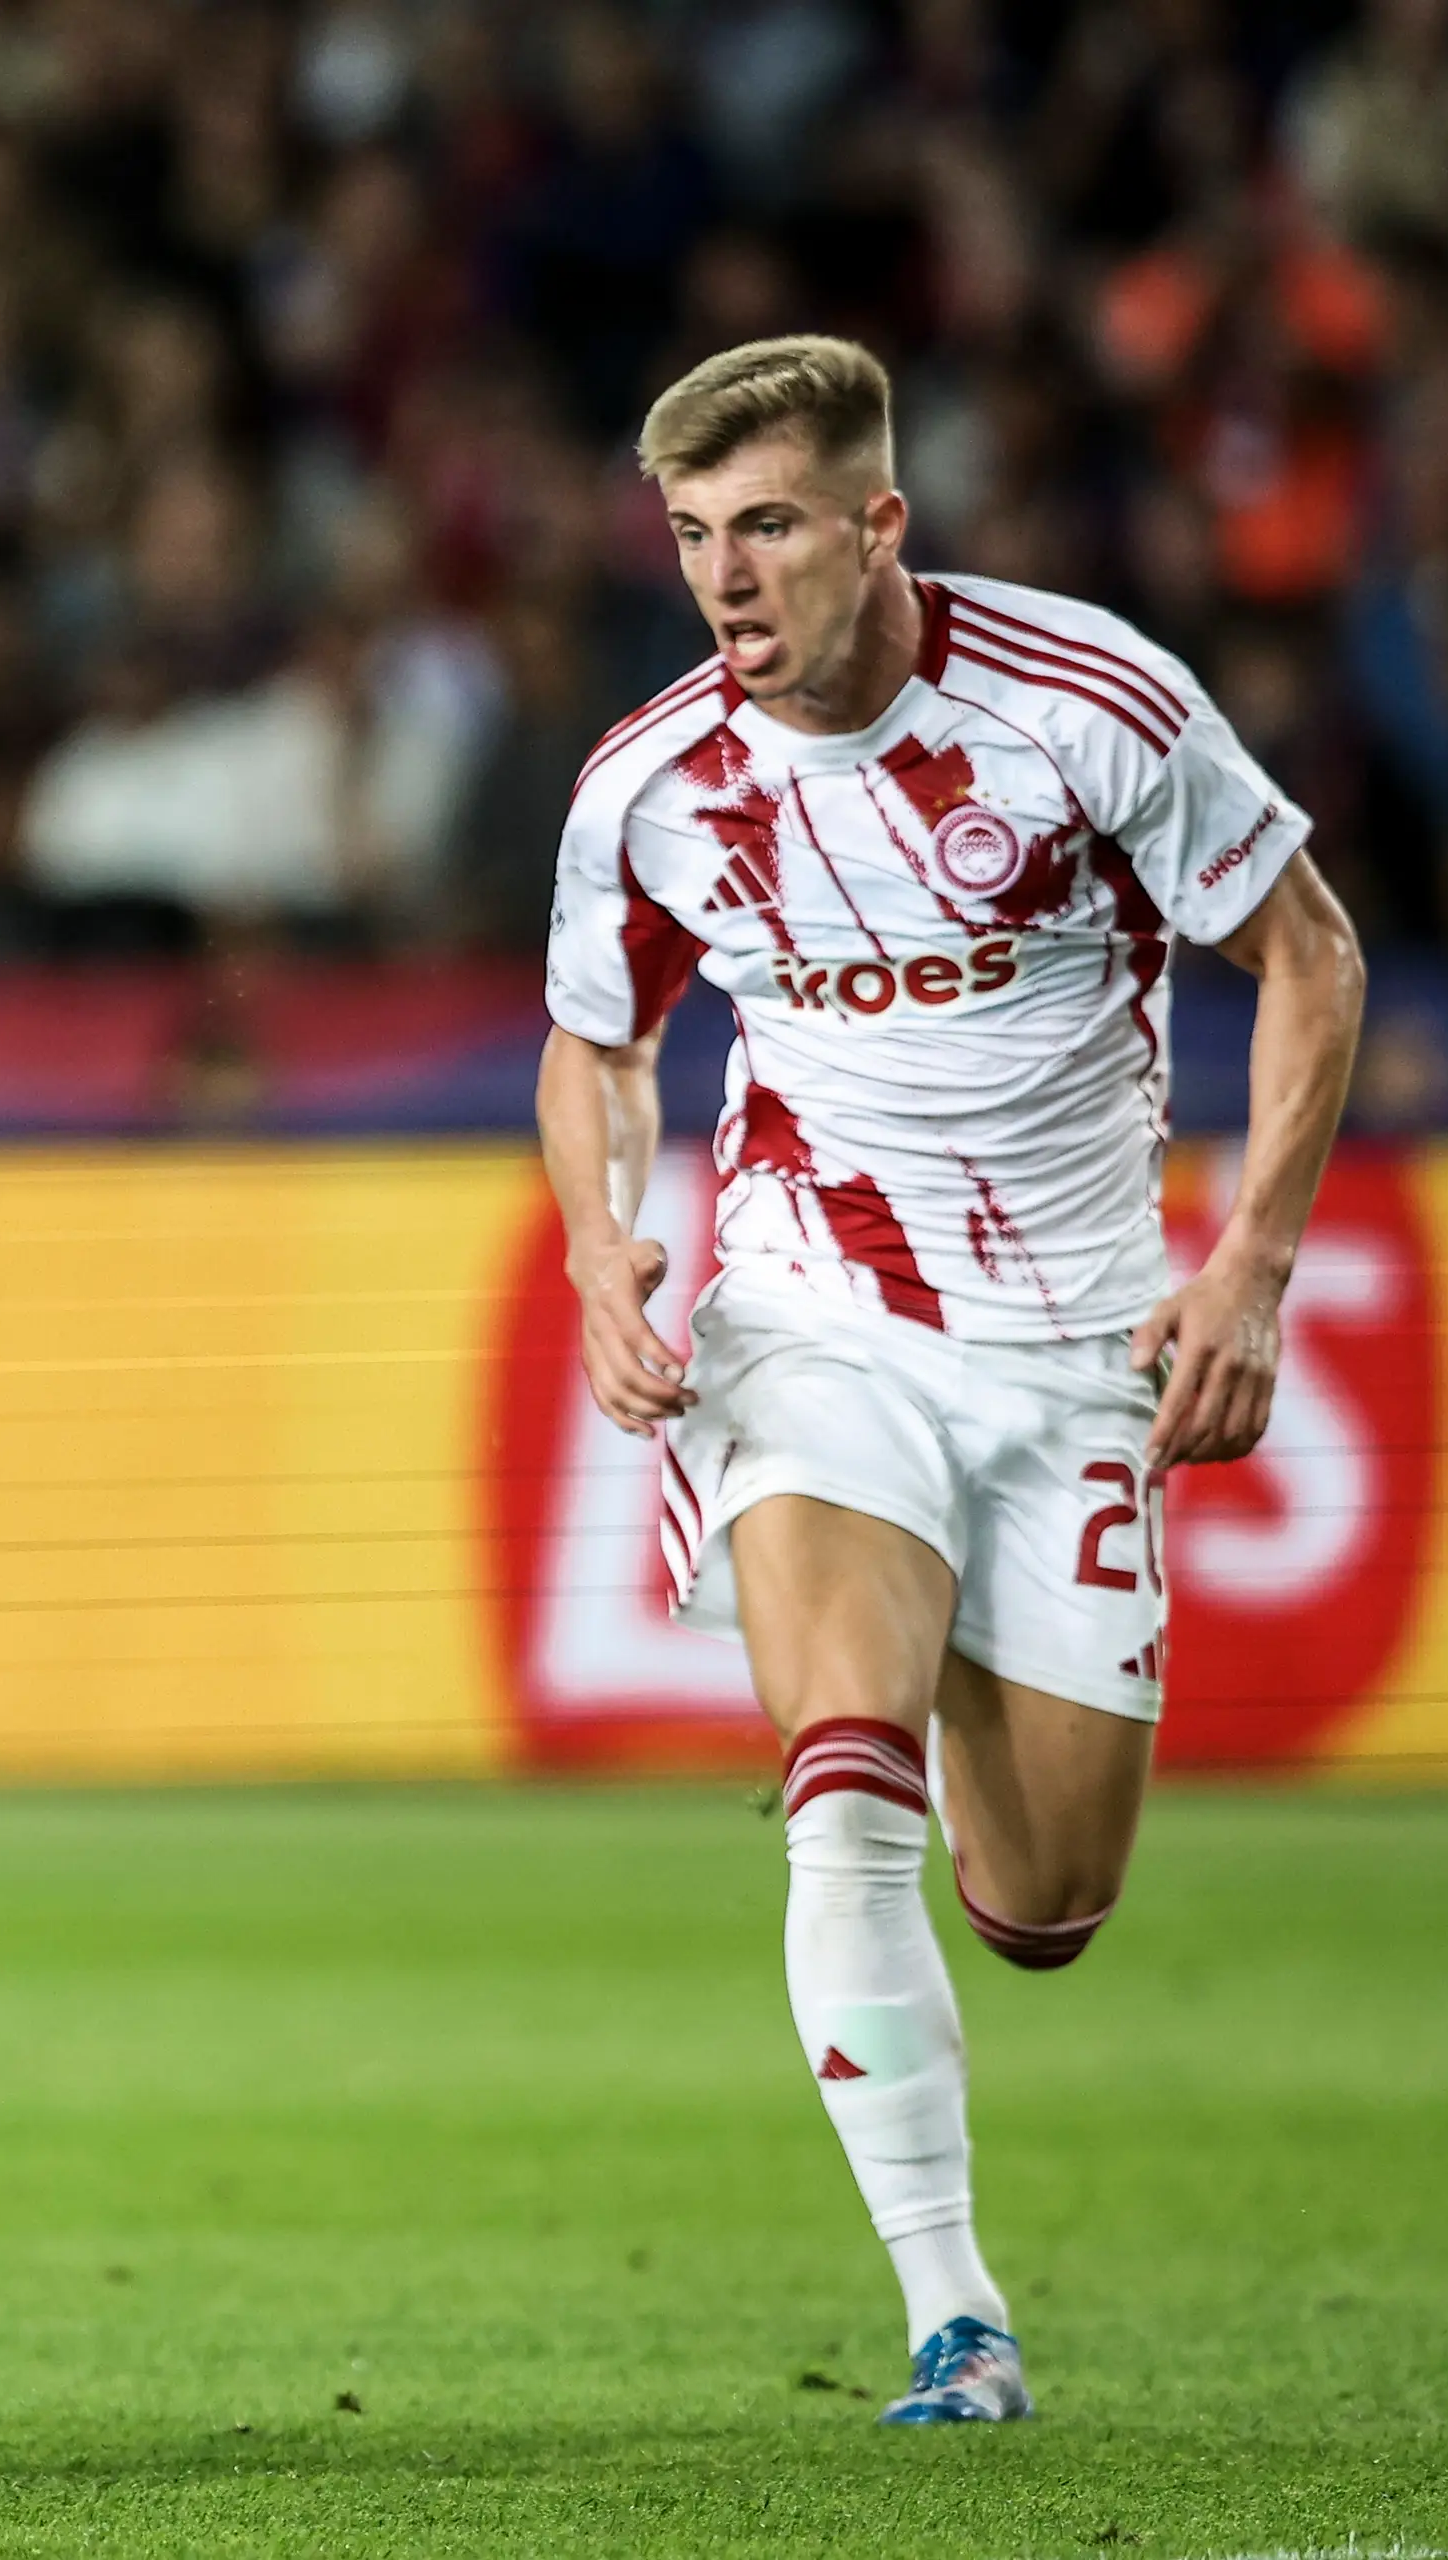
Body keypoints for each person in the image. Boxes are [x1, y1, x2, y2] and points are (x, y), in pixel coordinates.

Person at [535, 337, 1363, 2424]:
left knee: (1046, 1903)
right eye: (694, 535)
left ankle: (991, 1839)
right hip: (812, 1314)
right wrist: (602, 1244)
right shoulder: (651, 782)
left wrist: (1252, 1264)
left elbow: (1314, 956)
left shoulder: (1086, 706)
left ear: (879, 522)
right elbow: (596, 1042)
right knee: (843, 1781)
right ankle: (955, 2316)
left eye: (769, 526)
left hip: (1077, 1344)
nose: (727, 578)